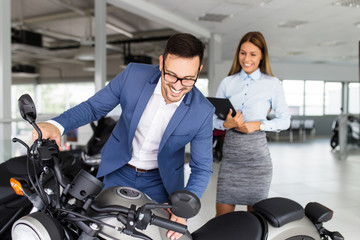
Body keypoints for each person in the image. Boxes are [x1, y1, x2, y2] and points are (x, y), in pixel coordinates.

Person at [33, 33, 215, 240]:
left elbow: (201, 168)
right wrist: (57, 124)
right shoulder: (133, 75)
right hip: (119, 170)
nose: (177, 86)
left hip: (161, 183)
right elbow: (94, 107)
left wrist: (184, 208)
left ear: (199, 70)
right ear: (161, 62)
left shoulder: (203, 111)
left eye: (188, 79)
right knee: (95, 231)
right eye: (171, 75)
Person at [213, 31, 290, 217]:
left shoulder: (272, 84)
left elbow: (285, 120)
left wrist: (258, 125)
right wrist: (226, 124)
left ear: (262, 56)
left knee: (255, 224)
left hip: (258, 163)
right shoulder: (227, 83)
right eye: (242, 53)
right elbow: (211, 120)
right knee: (221, 223)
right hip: (231, 161)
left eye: (253, 54)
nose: (246, 59)